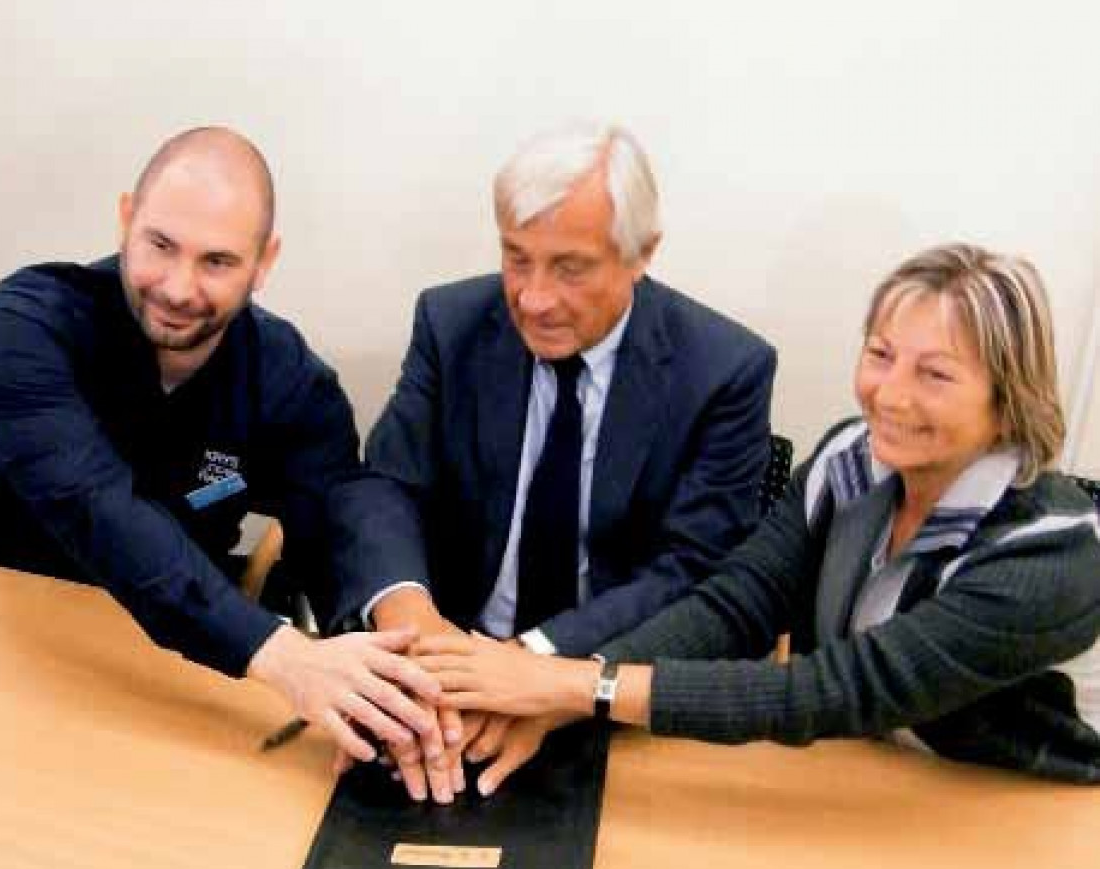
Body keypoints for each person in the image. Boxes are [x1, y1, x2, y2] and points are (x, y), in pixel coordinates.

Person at [415, 243, 1100, 786]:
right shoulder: (848, 460)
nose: (890, 395)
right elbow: (736, 605)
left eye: (936, 374)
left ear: (1008, 399)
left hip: (1030, 819)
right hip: (869, 781)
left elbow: (836, 690)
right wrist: (561, 701)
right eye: (881, 355)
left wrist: (573, 684)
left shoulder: (1051, 555)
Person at [331, 124, 776, 800]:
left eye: (570, 268)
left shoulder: (724, 370)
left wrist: (534, 670)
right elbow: (385, 489)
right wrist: (412, 621)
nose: (533, 299)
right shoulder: (451, 323)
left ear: (641, 254)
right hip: (442, 687)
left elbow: (694, 571)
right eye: (516, 259)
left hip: (601, 702)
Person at [0, 127, 441, 765]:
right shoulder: (25, 326)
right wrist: (281, 655)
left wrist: (373, 671)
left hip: (181, 675)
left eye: (217, 262)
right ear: (125, 219)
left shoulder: (290, 381)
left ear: (264, 261)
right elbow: (97, 509)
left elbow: (336, 523)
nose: (177, 286)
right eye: (160, 245)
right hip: (11, 638)